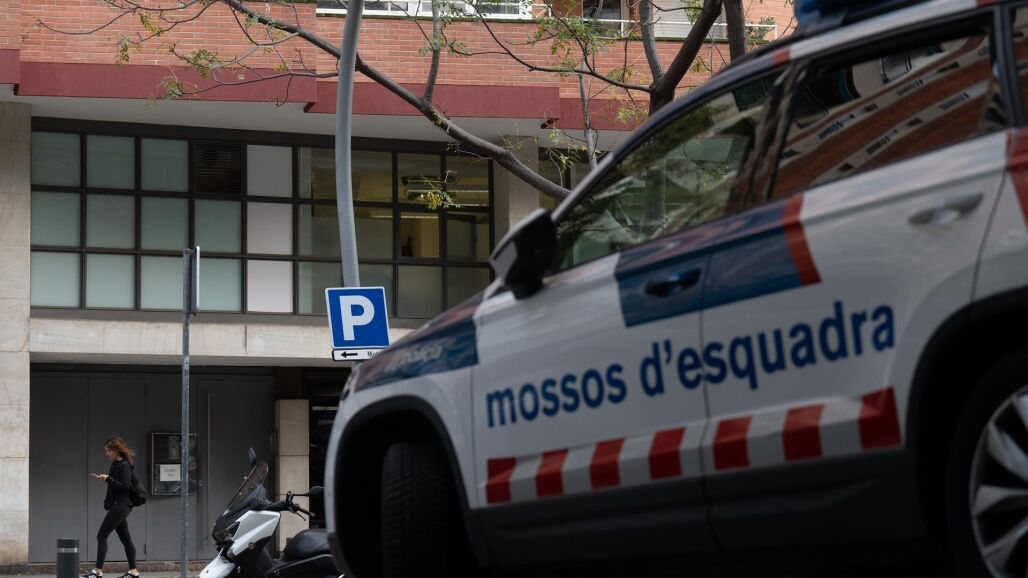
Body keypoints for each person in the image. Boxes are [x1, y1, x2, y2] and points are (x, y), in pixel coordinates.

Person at [82, 437, 139, 578]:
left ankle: (97, 572)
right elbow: (116, 484)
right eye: (106, 451)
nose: (106, 454)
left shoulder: (124, 465)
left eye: (108, 451)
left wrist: (108, 479)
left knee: (101, 535)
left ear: (116, 450)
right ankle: (133, 572)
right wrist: (106, 478)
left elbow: (125, 485)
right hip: (118, 505)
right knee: (126, 540)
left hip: (121, 506)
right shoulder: (115, 465)